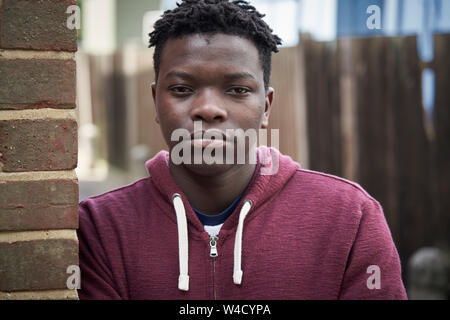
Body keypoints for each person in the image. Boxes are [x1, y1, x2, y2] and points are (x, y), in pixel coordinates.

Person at [77, 0, 407, 299]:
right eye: (181, 88)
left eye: (237, 89)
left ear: (265, 107)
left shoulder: (350, 218)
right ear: (155, 101)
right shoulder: (101, 227)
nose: (208, 109)